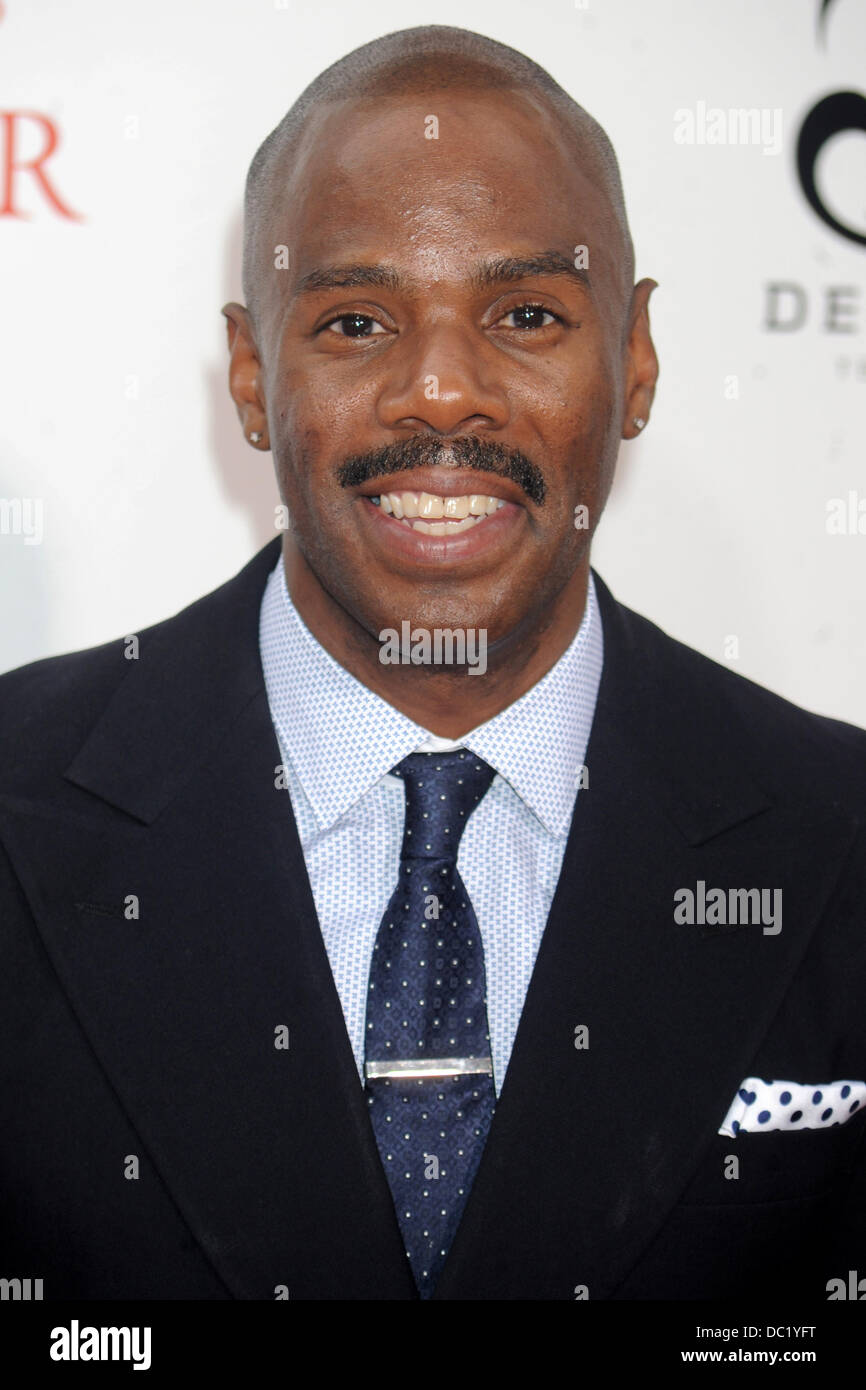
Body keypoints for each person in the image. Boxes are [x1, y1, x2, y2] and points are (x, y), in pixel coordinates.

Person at [1, 24, 864, 1303]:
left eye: (524, 314)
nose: (442, 392)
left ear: (634, 359)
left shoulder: (836, 828)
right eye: (355, 320)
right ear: (251, 373)